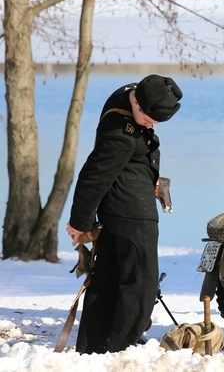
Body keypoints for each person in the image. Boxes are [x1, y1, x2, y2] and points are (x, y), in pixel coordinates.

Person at [66, 74, 183, 354]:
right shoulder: (121, 136)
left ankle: (93, 344)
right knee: (140, 282)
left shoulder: (131, 92)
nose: (151, 124)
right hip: (132, 210)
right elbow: (93, 174)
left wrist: (152, 176)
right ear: (137, 103)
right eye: (148, 119)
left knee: (107, 274)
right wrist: (80, 223)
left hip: (118, 205)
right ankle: (123, 345)